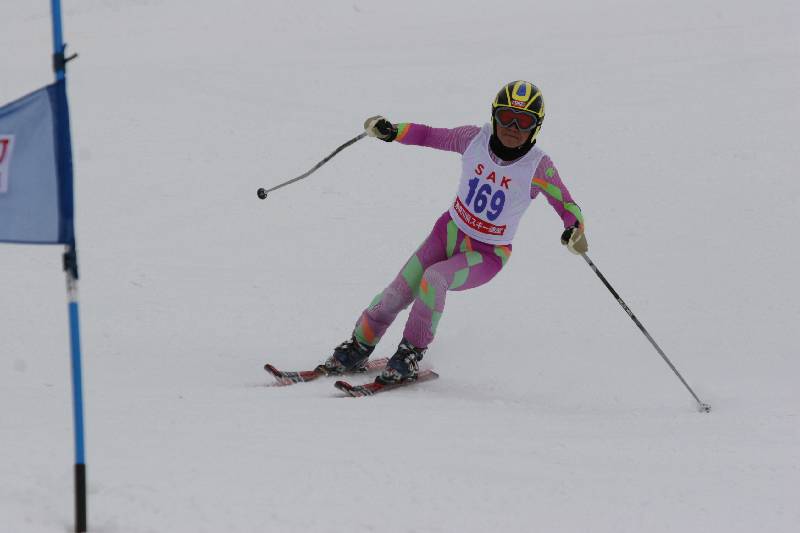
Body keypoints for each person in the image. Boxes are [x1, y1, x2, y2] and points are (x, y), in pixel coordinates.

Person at [321, 80, 587, 384]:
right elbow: (430, 135)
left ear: (536, 126)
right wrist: (392, 131)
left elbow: (567, 204)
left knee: (435, 279)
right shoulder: (473, 139)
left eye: (523, 121)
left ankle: (410, 353)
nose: (512, 127)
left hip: (487, 254)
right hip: (446, 234)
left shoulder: (538, 167)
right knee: (397, 291)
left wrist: (575, 230)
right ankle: (358, 346)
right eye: (505, 117)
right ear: (494, 115)